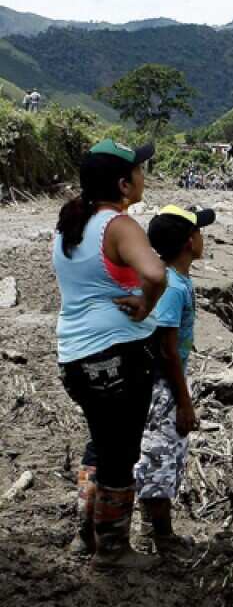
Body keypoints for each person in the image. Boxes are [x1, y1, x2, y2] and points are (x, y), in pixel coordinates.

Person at [55, 139, 168, 569]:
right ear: (124, 184)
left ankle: (87, 535)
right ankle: (113, 552)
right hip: (115, 356)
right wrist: (145, 303)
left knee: (102, 444)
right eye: (139, 170)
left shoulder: (71, 222)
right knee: (120, 453)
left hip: (75, 355)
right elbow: (155, 273)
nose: (144, 176)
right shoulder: (118, 225)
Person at [133, 205, 212, 554]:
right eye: (199, 231)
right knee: (161, 455)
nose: (203, 237)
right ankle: (156, 535)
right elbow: (166, 348)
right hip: (162, 385)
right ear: (188, 242)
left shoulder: (177, 280)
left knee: (166, 453)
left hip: (163, 381)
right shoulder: (173, 286)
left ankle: (156, 530)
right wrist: (184, 399)